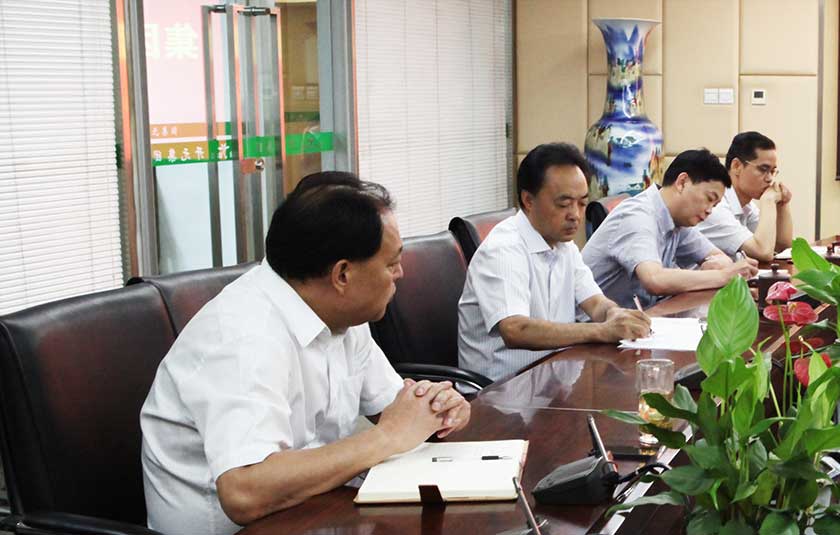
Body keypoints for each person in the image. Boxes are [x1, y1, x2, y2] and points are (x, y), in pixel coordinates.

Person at [140, 172, 471, 535]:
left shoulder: (340, 312)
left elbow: (394, 408)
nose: (400, 273)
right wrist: (386, 437)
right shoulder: (243, 338)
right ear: (342, 275)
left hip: (318, 513)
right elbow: (245, 492)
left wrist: (435, 407)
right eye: (391, 263)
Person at [457, 142, 651, 383]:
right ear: (528, 200)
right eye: (564, 204)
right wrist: (602, 330)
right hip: (501, 390)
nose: (575, 215)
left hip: (551, 378)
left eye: (582, 203)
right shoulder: (503, 249)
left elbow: (595, 303)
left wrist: (614, 314)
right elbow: (515, 329)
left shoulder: (564, 245)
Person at [581, 148, 759, 310]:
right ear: (682, 182)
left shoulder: (679, 219)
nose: (709, 210)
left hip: (639, 319)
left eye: (715, 205)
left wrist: (720, 266)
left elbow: (719, 257)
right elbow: (655, 280)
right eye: (709, 199)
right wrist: (723, 275)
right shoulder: (637, 216)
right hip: (593, 327)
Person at [696, 131, 793, 261]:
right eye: (763, 169)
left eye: (773, 171)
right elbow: (763, 252)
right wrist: (768, 201)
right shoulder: (715, 207)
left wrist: (782, 205)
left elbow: (782, 247)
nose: (770, 179)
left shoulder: (747, 206)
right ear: (736, 166)